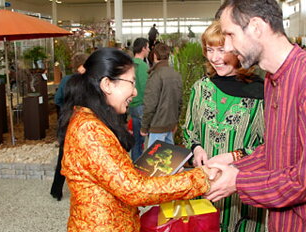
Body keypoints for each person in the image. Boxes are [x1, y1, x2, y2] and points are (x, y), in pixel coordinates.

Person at [205, 0, 306, 231]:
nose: (229, 48)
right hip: (287, 220)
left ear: (256, 26)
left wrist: (238, 181)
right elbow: (278, 150)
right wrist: (234, 165)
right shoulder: (274, 80)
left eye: (231, 35)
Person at [58, 48, 210, 231]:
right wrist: (201, 178)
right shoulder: (88, 129)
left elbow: (118, 178)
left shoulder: (95, 119)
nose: (135, 92)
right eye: (131, 82)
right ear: (107, 84)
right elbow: (133, 190)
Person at [183, 21, 265, 232]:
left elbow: (273, 147)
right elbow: (189, 131)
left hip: (244, 196)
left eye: (222, 50)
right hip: (206, 191)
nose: (214, 58)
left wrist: (235, 156)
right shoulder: (201, 88)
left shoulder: (261, 93)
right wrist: (196, 148)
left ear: (239, 51)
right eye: (210, 50)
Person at [50, 52, 89, 201]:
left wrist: (67, 108)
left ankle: (56, 190)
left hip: (67, 121)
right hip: (84, 122)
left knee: (63, 157)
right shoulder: (88, 81)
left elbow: (57, 99)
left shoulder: (66, 80)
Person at [140, 43, 182, 148]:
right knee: (170, 159)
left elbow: (150, 104)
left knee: (154, 161)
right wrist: (175, 122)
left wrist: (144, 127)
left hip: (157, 126)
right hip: (170, 124)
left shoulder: (156, 75)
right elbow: (179, 102)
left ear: (154, 55)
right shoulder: (176, 74)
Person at [129, 38, 150, 161]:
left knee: (136, 140)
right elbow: (146, 87)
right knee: (145, 140)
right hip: (142, 105)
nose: (148, 50)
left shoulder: (130, 64)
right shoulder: (142, 66)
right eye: (147, 47)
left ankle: (135, 166)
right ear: (143, 48)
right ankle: (142, 167)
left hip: (132, 105)